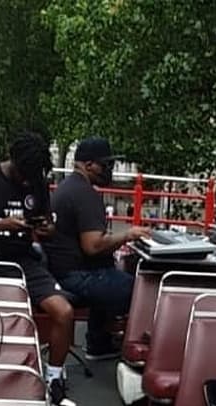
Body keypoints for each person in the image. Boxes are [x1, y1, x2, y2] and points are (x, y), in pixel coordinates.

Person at [0, 131, 78, 406]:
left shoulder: (36, 181)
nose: (26, 181)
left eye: (31, 176)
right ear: (12, 160)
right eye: (23, 174)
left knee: (64, 312)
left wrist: (46, 229)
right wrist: (0, 225)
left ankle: (54, 380)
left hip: (23, 258)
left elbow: (47, 225)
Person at [44, 137, 151, 359]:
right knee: (143, 290)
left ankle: (99, 341)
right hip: (76, 276)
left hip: (59, 272)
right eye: (106, 165)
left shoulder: (67, 187)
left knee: (113, 271)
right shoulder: (85, 195)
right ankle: (138, 352)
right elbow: (92, 246)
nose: (109, 170)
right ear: (88, 164)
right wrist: (127, 235)